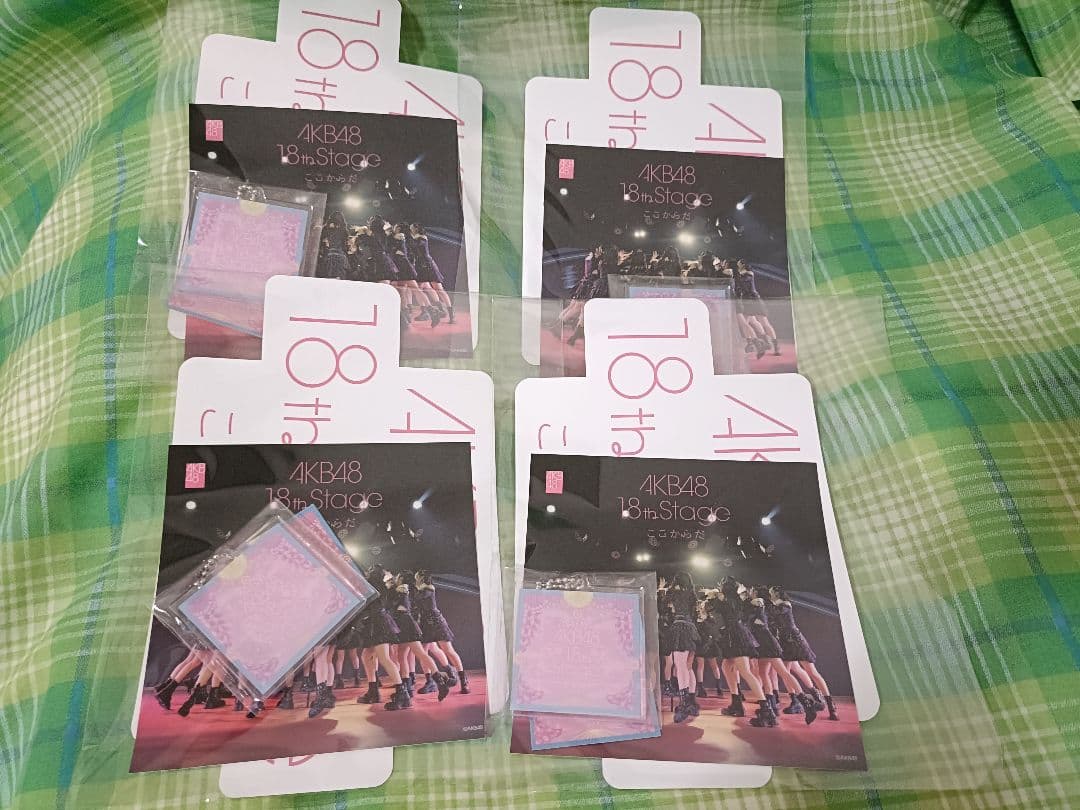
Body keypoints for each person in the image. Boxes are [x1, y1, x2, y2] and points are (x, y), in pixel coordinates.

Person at [768, 586, 838, 720]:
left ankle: (830, 706)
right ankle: (796, 702)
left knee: (812, 672)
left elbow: (776, 612)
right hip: (785, 642)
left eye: (771, 593)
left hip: (796, 640)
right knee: (786, 673)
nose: (769, 595)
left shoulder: (784, 605)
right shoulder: (776, 605)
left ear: (776, 593)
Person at [717, 577, 776, 727]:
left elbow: (719, 608)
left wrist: (715, 597)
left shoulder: (727, 600)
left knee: (745, 672)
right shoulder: (738, 600)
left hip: (736, 636)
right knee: (726, 666)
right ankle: (736, 703)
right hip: (737, 635)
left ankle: (766, 710)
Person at [355, 565, 411, 711]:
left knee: (384, 658)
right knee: (367, 656)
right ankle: (373, 691)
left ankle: (402, 694)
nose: (367, 571)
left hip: (378, 623)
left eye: (370, 570)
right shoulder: (381, 585)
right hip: (377, 622)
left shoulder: (373, 585)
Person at [390, 570, 452, 701]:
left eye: (398, 577)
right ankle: (411, 686)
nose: (395, 578)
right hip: (407, 625)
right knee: (405, 655)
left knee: (418, 654)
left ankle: (436, 682)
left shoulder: (401, 590)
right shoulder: (406, 590)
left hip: (407, 626)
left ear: (401, 579)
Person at [414, 570, 469, 694]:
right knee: (423, 653)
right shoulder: (420, 589)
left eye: (416, 576)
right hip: (425, 624)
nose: (415, 578)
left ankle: (463, 680)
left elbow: (418, 597)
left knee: (448, 650)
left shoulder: (428, 588)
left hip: (436, 622)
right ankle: (430, 682)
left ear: (421, 577)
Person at [666, 571, 701, 724]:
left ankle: (684, 704)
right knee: (688, 667)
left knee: (681, 666)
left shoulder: (675, 593)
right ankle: (691, 702)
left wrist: (667, 588)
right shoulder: (692, 594)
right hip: (692, 629)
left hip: (680, 628)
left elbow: (665, 602)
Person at [730, 259, 780, 359]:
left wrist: (735, 274)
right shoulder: (740, 274)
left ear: (743, 264)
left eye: (739, 263)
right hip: (746, 301)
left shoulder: (748, 273)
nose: (737, 264)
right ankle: (756, 343)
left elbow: (743, 279)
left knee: (763, 323)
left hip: (754, 300)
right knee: (747, 323)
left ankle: (774, 345)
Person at [410, 223, 455, 323]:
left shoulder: (421, 238)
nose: (411, 230)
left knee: (438, 288)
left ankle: (451, 313)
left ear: (416, 229)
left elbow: (418, 246)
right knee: (420, 288)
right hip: (421, 266)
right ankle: (430, 311)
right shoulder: (415, 239)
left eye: (412, 228)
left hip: (428, 265)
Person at [321, 211, 350, 280]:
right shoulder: (344, 230)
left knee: (329, 276)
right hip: (341, 255)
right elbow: (345, 244)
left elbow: (322, 238)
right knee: (339, 277)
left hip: (330, 254)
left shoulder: (328, 228)